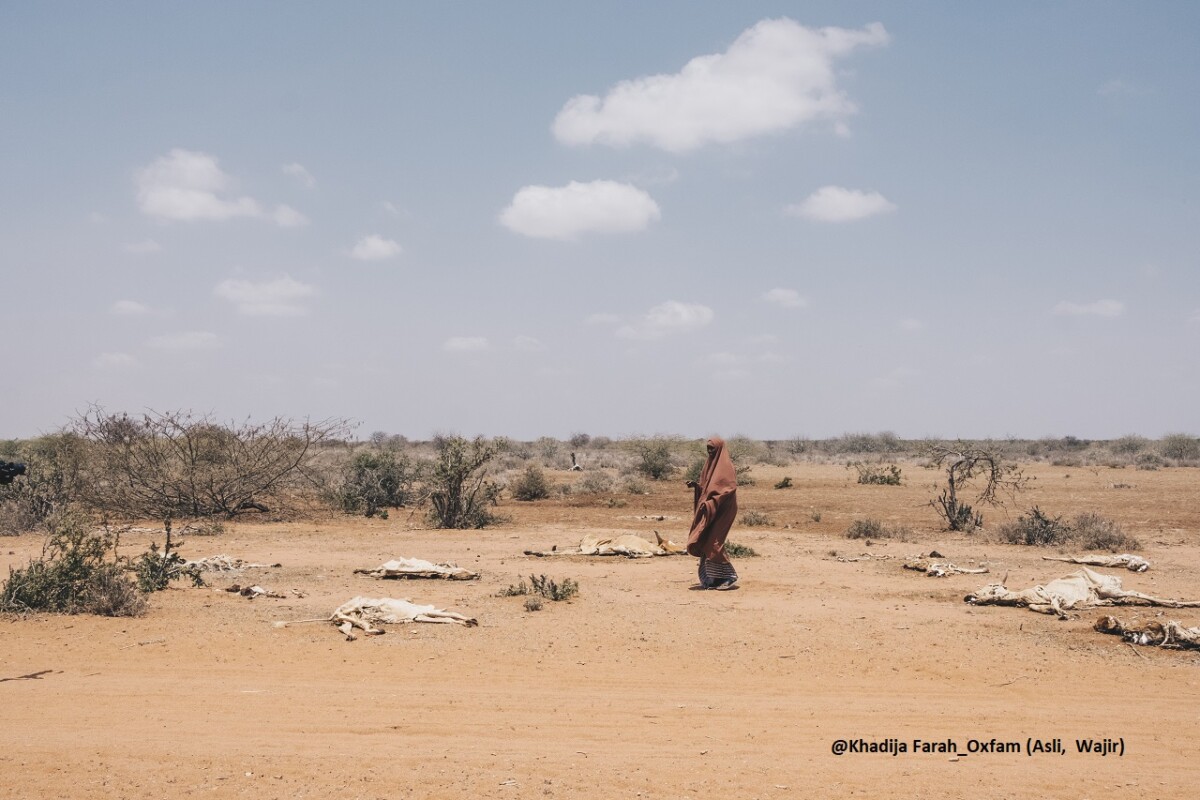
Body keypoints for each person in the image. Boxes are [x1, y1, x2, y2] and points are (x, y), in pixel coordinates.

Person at [685, 436, 738, 590]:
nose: (710, 452)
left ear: (720, 449)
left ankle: (728, 576)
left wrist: (710, 502)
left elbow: (728, 489)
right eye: (708, 449)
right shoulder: (709, 465)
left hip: (723, 509)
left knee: (714, 542)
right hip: (712, 508)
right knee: (705, 538)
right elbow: (707, 488)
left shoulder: (726, 467)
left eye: (712, 449)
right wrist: (697, 487)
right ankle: (713, 578)